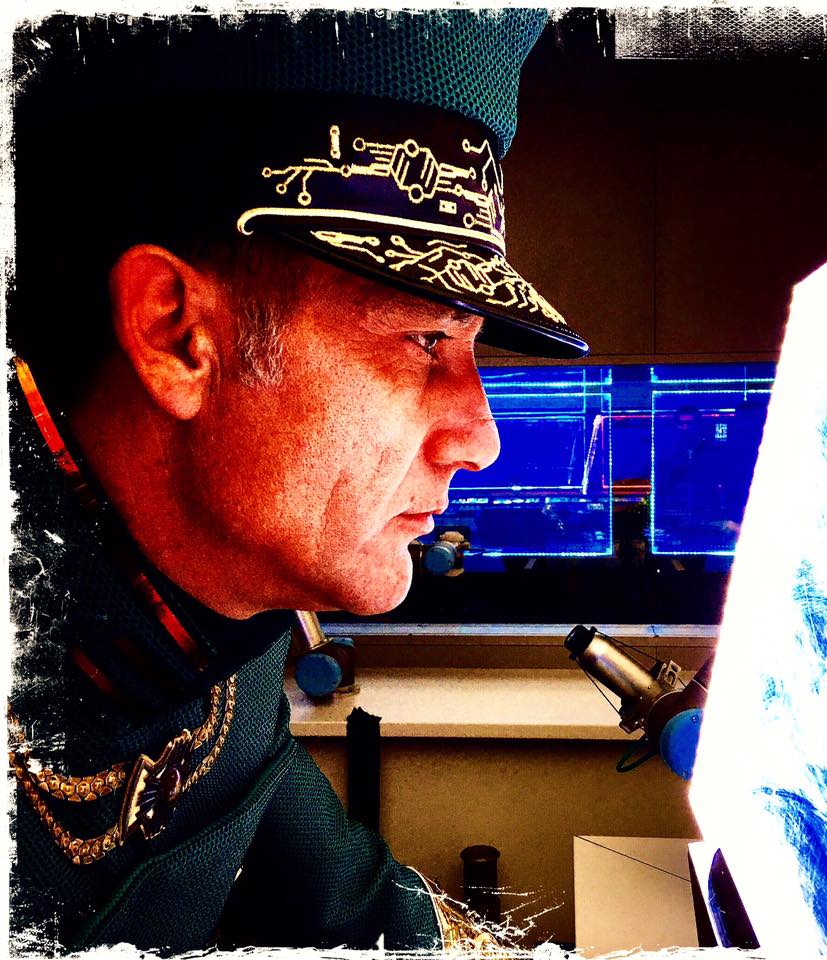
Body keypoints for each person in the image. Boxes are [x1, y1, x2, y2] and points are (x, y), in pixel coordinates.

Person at [7, 10, 589, 954]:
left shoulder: (222, 624)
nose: (481, 439)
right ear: (177, 335)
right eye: (425, 339)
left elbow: (355, 902)